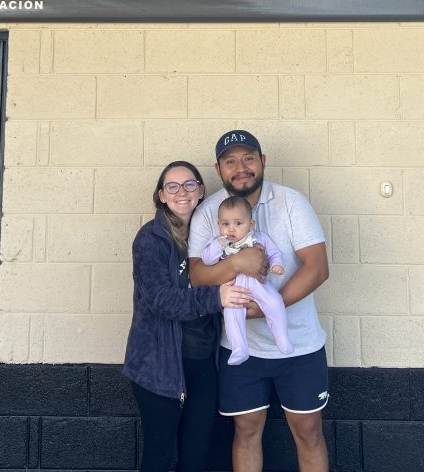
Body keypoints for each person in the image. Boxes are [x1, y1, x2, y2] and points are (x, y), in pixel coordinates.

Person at [188, 130, 330, 472]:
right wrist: (237, 263)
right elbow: (195, 275)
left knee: (308, 432)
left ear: (263, 161)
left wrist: (270, 306)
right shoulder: (210, 212)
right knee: (247, 431)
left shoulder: (291, 201)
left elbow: (318, 267)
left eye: (248, 158)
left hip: (299, 344)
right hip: (241, 347)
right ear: (219, 168)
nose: (241, 167)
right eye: (231, 161)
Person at [123, 160, 254, 472]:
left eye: (189, 184)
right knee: (158, 457)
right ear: (162, 196)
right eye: (172, 186)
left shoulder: (216, 237)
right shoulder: (151, 239)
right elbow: (159, 300)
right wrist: (216, 297)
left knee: (196, 457)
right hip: (159, 366)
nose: (182, 192)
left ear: (201, 190)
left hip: (203, 362)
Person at [201, 195, 293, 365]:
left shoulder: (259, 238)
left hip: (259, 285)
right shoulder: (219, 243)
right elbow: (207, 260)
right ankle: (239, 349)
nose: (231, 229)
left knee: (274, 303)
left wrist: (277, 264)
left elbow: (274, 252)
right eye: (225, 224)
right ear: (218, 225)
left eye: (238, 223)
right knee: (232, 316)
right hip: (234, 289)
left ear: (251, 224)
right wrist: (218, 245)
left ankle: (281, 337)